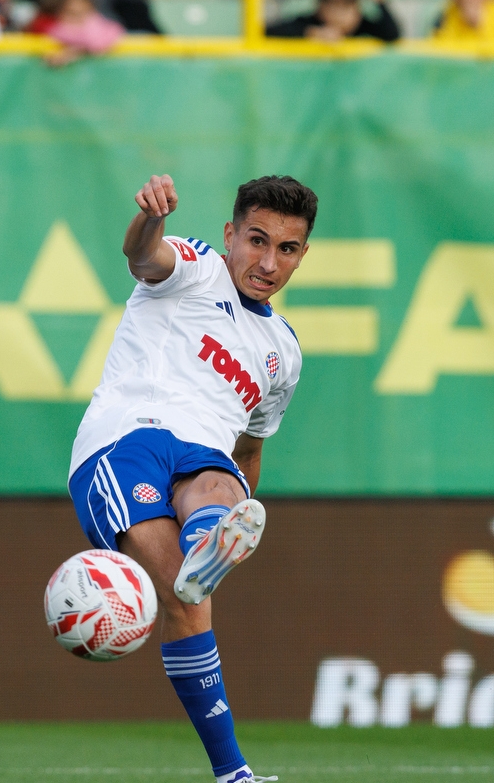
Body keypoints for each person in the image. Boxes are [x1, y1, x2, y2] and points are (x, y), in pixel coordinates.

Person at [69, 174, 312, 783]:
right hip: (122, 444)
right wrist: (150, 219)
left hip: (205, 461)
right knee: (183, 596)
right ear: (230, 235)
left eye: (286, 249)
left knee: (217, 494)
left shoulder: (282, 351)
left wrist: (240, 502)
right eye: (256, 240)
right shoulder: (198, 266)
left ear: (302, 255)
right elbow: (142, 256)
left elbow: (249, 448)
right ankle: (230, 769)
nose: (267, 261)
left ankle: (210, 540)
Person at [28, 0, 125, 65]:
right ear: (57, 11)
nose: (77, 19)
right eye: (71, 13)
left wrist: (74, 52)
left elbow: (99, 40)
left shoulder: (96, 26)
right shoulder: (45, 28)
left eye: (81, 13)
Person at [267, 0, 399, 42]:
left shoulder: (362, 28)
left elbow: (392, 34)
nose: (341, 15)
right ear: (321, 5)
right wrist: (310, 33)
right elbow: (268, 31)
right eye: (336, 5)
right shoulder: (310, 24)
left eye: (348, 6)